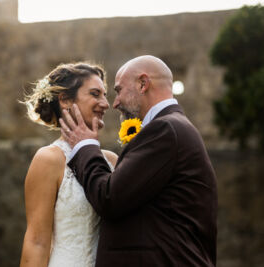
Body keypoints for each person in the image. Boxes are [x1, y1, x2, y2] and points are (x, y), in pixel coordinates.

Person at [60, 55, 218, 266]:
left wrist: (85, 146)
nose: (114, 103)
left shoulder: (165, 129)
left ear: (143, 84)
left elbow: (109, 198)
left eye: (118, 91)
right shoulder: (173, 127)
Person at [19, 62, 118, 267]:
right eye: (95, 94)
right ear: (65, 100)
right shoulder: (48, 160)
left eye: (105, 95)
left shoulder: (112, 161)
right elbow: (36, 242)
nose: (106, 103)